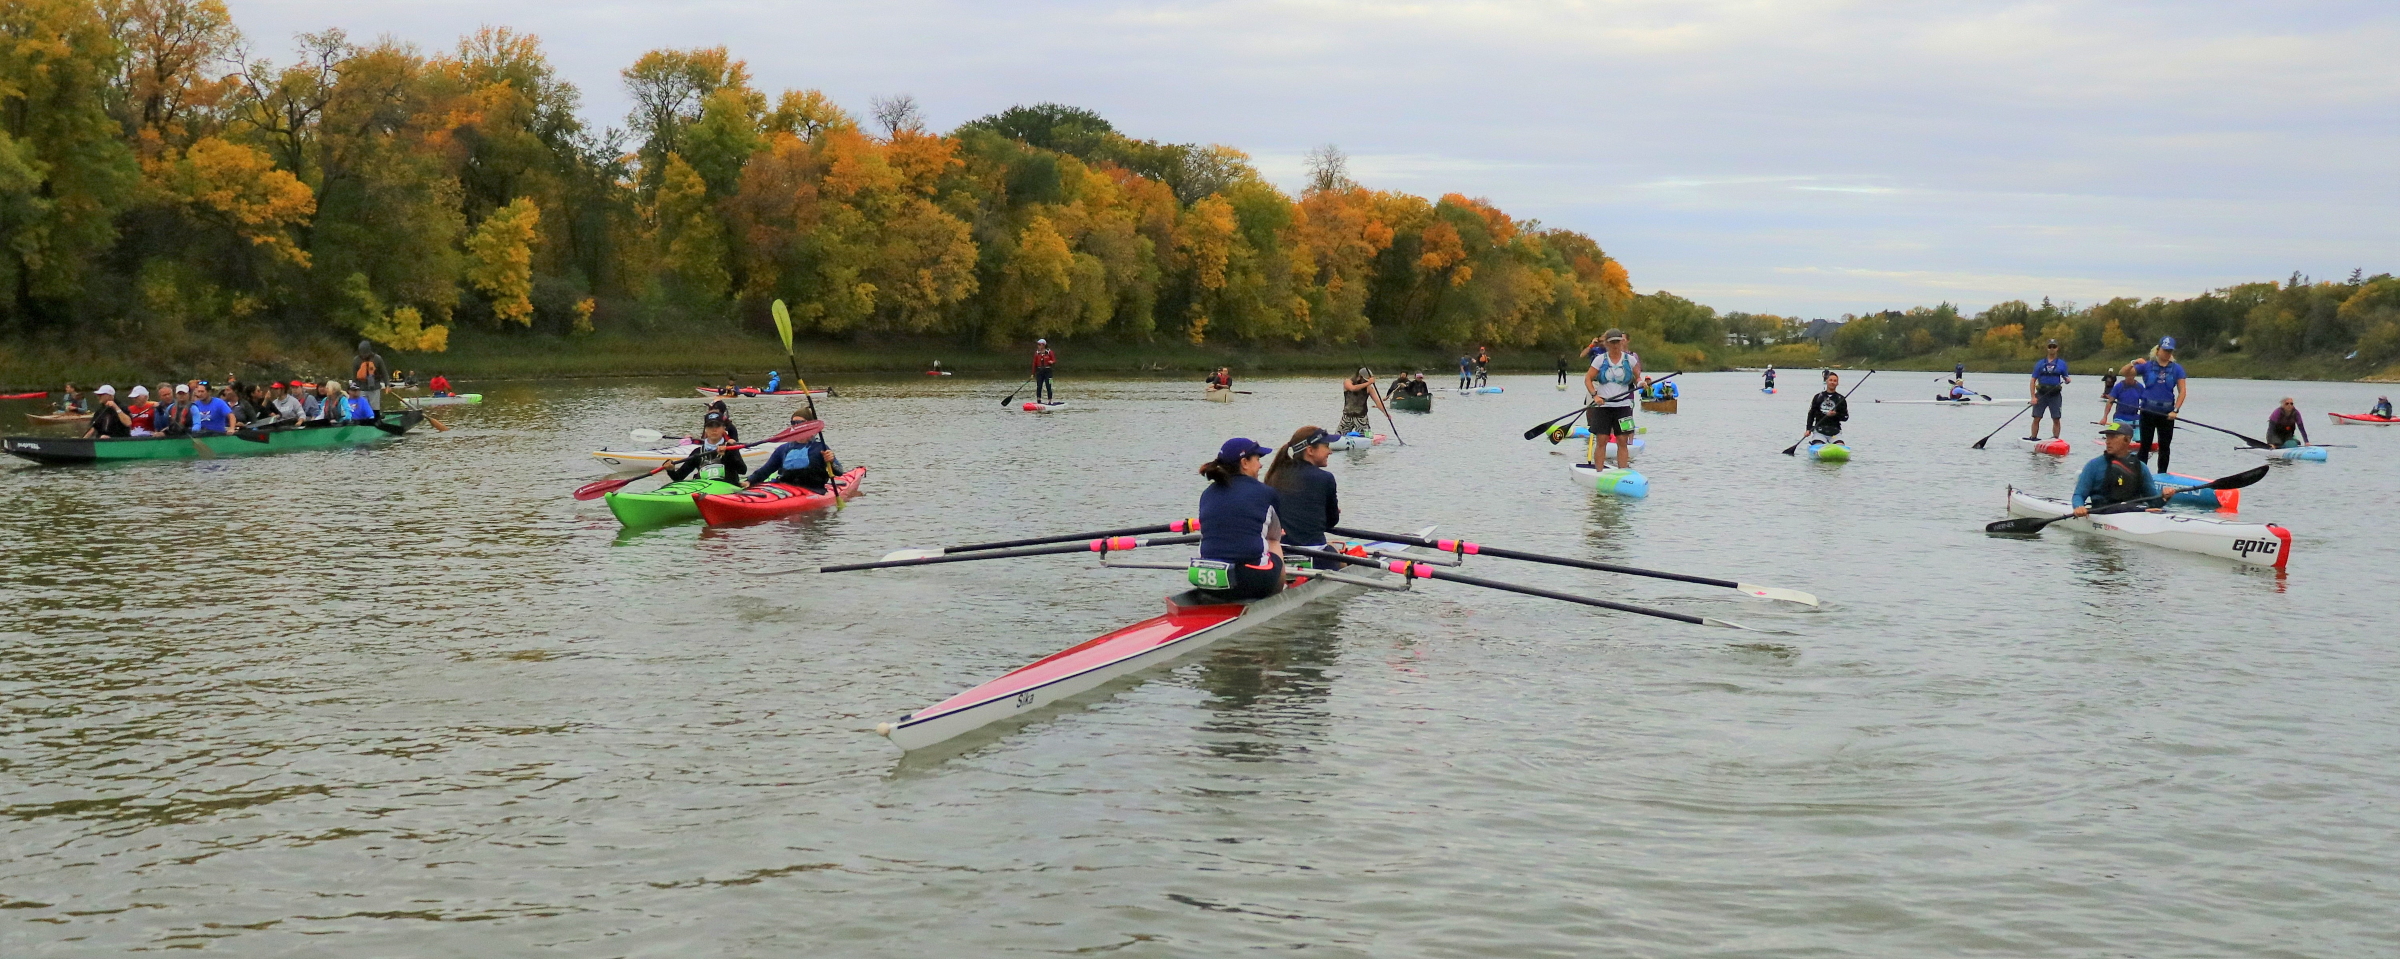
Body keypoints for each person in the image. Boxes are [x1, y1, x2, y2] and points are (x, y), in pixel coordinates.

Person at [1193, 437, 1284, 600]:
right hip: (1251, 580)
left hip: (1206, 580)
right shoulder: (1266, 492)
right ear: (1244, 463)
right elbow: (1274, 535)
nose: (1261, 465)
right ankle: (1279, 593)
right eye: (1257, 459)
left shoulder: (1206, 494)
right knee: (1273, 542)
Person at [2072, 423, 2182, 516]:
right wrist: (2079, 507)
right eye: (2107, 437)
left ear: (2127, 440)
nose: (2108, 442)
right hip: (2103, 512)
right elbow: (2079, 495)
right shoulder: (2094, 465)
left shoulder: (2141, 467)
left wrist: (2165, 497)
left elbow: (2154, 503)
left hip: (2134, 513)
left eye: (2113, 437)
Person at [1264, 426, 1340, 550]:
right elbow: (1331, 522)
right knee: (1338, 554)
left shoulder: (1276, 474)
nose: (1330, 451)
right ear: (1310, 450)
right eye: (1326, 446)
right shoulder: (1325, 478)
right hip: (1315, 552)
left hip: (1280, 550)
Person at [2128, 337, 2187, 473]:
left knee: (2164, 446)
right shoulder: (2147, 366)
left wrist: (2176, 410)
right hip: (2147, 412)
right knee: (2145, 445)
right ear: (2158, 349)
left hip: (2166, 414)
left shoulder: (2177, 369)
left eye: (2169, 351)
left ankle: (2162, 475)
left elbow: (2182, 391)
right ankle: (2140, 474)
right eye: (2165, 350)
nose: (2167, 353)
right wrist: (2133, 363)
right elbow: (2125, 373)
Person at [1584, 329, 1641, 469]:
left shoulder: (1630, 360)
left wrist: (1641, 383)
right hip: (1603, 406)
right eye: (1612, 342)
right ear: (1607, 344)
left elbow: (1637, 377)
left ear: (1622, 342)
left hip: (1624, 406)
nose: (1615, 345)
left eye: (1617, 342)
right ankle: (1599, 472)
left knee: (1622, 440)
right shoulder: (1600, 360)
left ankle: (1623, 473)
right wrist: (1595, 396)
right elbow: (1588, 379)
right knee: (1602, 440)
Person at [745, 413, 839, 492]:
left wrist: (831, 461)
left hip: (813, 489)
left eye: (800, 423)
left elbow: (839, 472)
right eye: (793, 423)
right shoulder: (783, 449)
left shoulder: (821, 448)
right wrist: (749, 481)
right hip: (785, 488)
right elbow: (766, 470)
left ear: (810, 425)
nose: (796, 426)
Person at [667, 413, 747, 482]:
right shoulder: (698, 452)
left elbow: (743, 470)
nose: (714, 430)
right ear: (705, 429)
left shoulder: (730, 448)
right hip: (705, 492)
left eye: (717, 426)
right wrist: (670, 469)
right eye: (710, 426)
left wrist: (727, 455)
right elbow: (678, 477)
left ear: (723, 428)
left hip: (727, 490)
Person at [2026, 339, 2071, 440]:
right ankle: (2033, 437)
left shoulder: (2062, 364)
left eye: (2054, 347)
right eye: (2050, 347)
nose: (2052, 349)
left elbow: (2065, 377)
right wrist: (2033, 397)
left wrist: (2067, 380)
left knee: (2056, 418)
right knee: (2037, 417)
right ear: (2047, 348)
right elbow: (2033, 380)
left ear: (2057, 349)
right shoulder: (2040, 363)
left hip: (2055, 395)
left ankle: (2055, 439)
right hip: (2041, 394)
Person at [1804, 370, 1850, 448]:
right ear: (1826, 381)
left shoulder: (1841, 399)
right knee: (1819, 445)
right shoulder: (1818, 397)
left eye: (1835, 381)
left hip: (1835, 432)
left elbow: (1845, 417)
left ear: (1837, 383)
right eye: (1830, 380)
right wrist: (1808, 429)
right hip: (1819, 431)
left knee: (1840, 446)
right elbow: (1811, 414)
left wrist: (1835, 414)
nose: (1832, 382)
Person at [2101, 364, 2145, 434]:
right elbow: (2110, 402)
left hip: (2135, 417)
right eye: (2127, 376)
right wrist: (2105, 417)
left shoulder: (2139, 387)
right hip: (2120, 417)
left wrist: (2143, 406)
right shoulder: (2119, 386)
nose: (2129, 378)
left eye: (2131, 376)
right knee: (2120, 437)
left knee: (2139, 438)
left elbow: (2145, 401)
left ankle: (2138, 441)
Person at [1338, 368, 1377, 436]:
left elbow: (1378, 401)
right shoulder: (1348, 382)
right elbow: (1353, 388)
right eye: (1365, 379)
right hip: (1347, 417)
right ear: (1360, 377)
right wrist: (1369, 382)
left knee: (1368, 436)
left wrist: (1386, 413)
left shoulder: (1369, 387)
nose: (1365, 381)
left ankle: (1368, 436)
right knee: (1338, 436)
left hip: (1361, 417)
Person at [353, 341, 387, 412]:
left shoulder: (377, 359)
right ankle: (364, 421)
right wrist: (354, 389)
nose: (364, 355)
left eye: (365, 353)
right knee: (362, 409)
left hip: (375, 388)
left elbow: (384, 373)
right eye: (362, 353)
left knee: (374, 408)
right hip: (361, 388)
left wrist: (387, 385)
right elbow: (354, 377)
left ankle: (375, 419)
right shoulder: (356, 360)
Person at [1032, 338, 1058, 402]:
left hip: (1048, 372)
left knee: (1048, 386)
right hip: (1039, 372)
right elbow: (1034, 364)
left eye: (1039, 344)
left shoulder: (1050, 352)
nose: (1038, 346)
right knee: (1039, 386)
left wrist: (1052, 362)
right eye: (1038, 344)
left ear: (1043, 345)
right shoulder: (1037, 353)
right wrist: (1033, 373)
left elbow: (1054, 360)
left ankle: (1050, 400)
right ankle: (1039, 400)